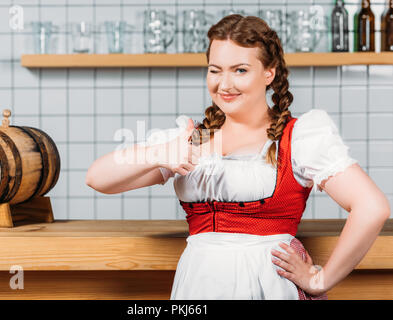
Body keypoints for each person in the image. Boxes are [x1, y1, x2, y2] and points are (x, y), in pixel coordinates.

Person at [86, 15, 391, 299]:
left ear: (269, 73)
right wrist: (157, 154)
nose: (224, 84)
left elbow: (371, 206)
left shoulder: (299, 137)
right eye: (215, 70)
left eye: (240, 70)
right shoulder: (192, 138)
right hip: (198, 281)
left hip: (267, 284)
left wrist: (320, 280)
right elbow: (98, 178)